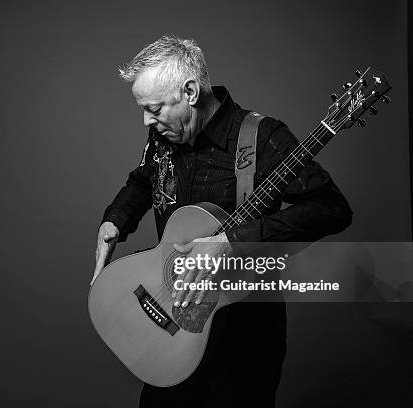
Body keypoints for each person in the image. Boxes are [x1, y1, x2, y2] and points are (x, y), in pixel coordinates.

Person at [93, 35, 352, 407]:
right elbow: (142, 180)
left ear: (191, 92)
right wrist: (114, 222)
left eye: (155, 108)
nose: (146, 120)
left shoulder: (263, 138)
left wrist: (232, 241)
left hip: (243, 335)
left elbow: (332, 208)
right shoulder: (165, 134)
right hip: (173, 324)